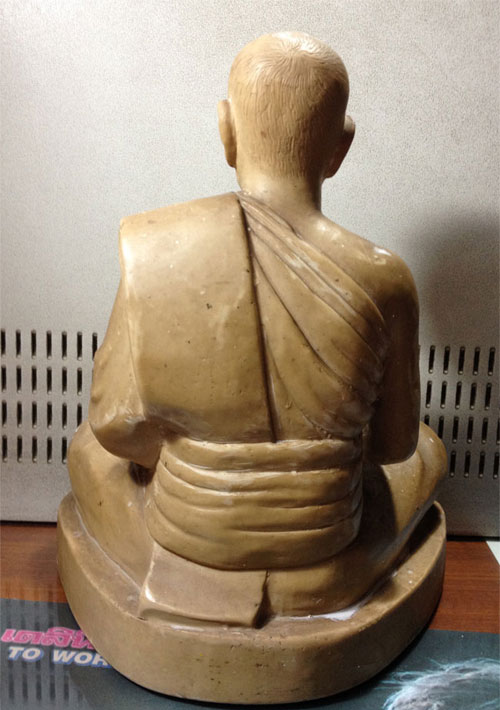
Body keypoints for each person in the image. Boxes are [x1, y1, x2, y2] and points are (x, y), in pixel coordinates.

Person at [67, 32, 446, 627]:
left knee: (85, 450)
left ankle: (180, 578)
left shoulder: (160, 249)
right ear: (341, 146)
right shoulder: (386, 277)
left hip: (188, 529)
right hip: (327, 536)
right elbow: (394, 446)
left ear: (227, 131)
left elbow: (115, 425)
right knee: (430, 451)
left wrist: (212, 462)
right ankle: (327, 587)